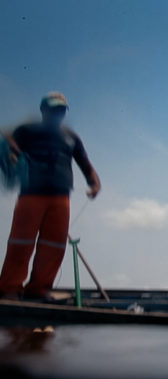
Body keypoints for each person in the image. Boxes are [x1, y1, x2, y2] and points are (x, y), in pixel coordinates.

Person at [0, 92, 101, 301]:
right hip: (31, 195)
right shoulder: (26, 131)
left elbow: (86, 164)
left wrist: (94, 183)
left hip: (61, 197)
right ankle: (10, 288)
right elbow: (9, 151)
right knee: (21, 242)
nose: (58, 113)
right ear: (44, 110)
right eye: (54, 109)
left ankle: (39, 289)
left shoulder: (71, 137)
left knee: (54, 245)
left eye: (61, 110)